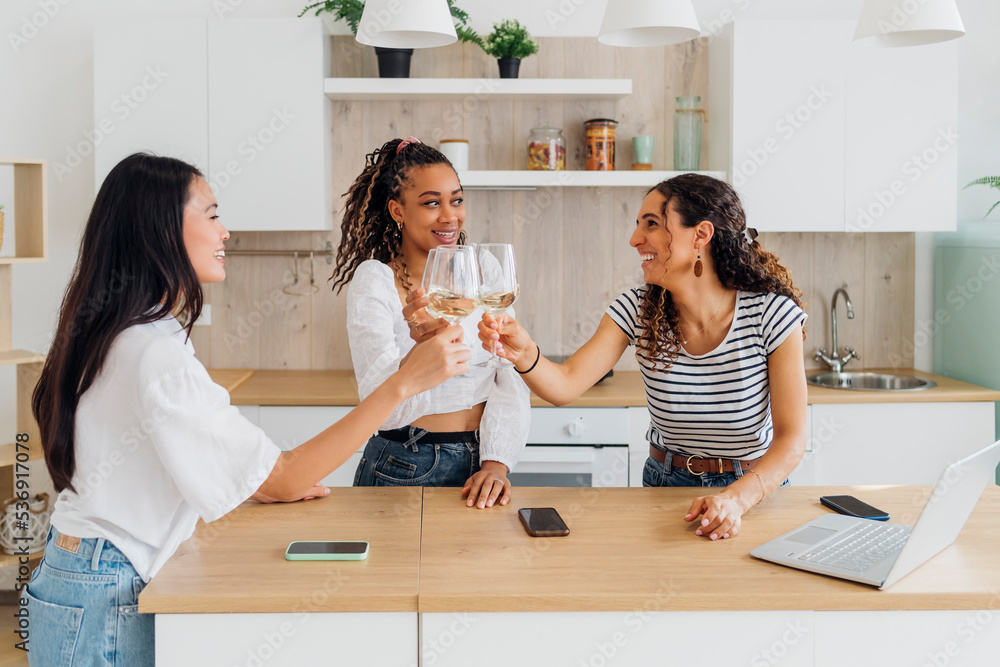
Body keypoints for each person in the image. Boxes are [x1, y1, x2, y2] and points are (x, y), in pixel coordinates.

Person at [26, 153, 469, 666]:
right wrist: (403, 383)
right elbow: (282, 477)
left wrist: (259, 479)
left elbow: (205, 458)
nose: (226, 232)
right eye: (212, 214)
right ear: (161, 229)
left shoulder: (126, 331)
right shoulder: (154, 352)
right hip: (104, 585)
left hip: (84, 568)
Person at [478, 173, 808, 541]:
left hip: (754, 492)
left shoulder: (771, 315)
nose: (635, 239)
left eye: (651, 224)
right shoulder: (636, 310)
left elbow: (792, 441)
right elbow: (565, 385)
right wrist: (524, 353)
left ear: (701, 234)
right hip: (666, 485)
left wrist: (735, 499)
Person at [331, 137, 530, 510]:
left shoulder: (484, 268)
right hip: (404, 464)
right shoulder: (376, 280)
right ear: (398, 210)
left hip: (483, 466)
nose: (449, 216)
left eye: (456, 200)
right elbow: (380, 406)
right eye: (431, 203)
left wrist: (496, 463)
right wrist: (423, 354)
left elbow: (510, 374)